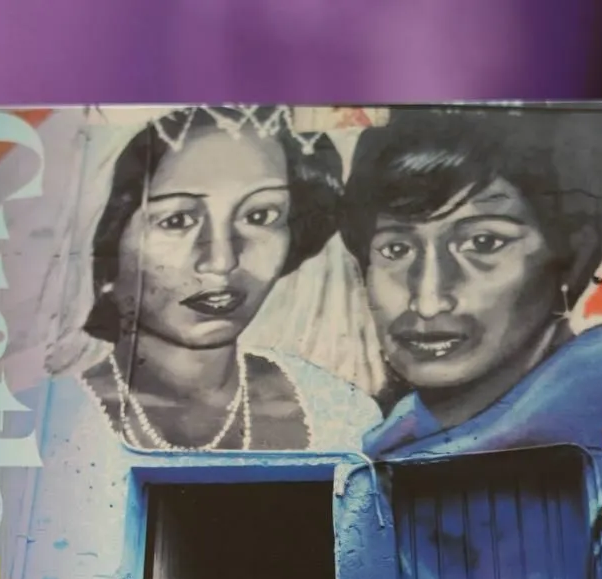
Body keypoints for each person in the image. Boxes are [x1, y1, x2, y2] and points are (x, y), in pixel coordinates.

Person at [338, 105, 602, 460]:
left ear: (574, 257)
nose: (428, 300)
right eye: (397, 249)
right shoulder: (379, 438)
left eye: (483, 243)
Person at [79, 106, 379, 452]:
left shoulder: (342, 416)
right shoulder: (50, 422)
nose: (222, 261)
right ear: (110, 239)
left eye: (260, 215)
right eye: (177, 221)